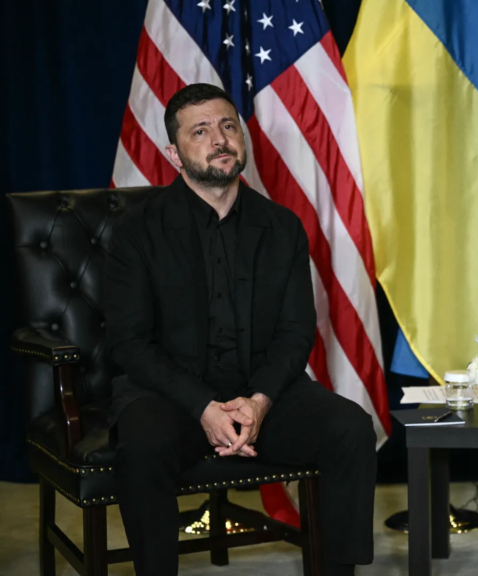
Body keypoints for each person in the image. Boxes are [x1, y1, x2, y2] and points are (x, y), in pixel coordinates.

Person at [103, 83, 376, 576]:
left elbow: (296, 332)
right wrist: (204, 407)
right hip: (169, 396)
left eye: (228, 126)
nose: (219, 139)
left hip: (261, 392)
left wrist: (259, 402)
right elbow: (130, 342)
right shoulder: (136, 231)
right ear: (174, 153)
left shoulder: (282, 226)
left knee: (350, 428)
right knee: (142, 449)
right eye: (200, 131)